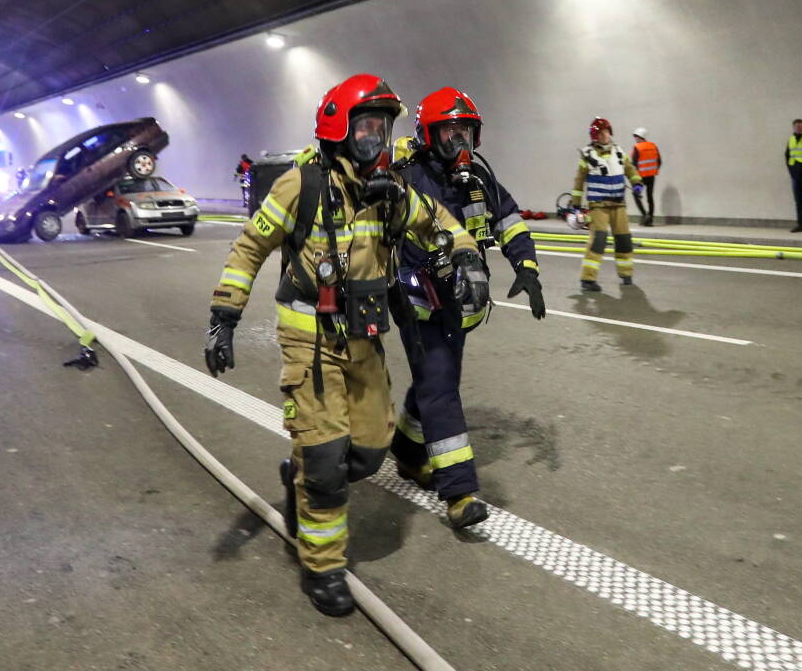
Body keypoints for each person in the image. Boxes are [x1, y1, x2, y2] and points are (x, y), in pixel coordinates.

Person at [203, 74, 485, 617]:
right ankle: (322, 565)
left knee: (370, 451)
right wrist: (224, 316)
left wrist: (467, 256)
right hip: (309, 343)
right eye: (367, 126)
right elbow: (249, 248)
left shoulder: (389, 191)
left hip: (365, 340)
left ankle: (300, 477)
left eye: (383, 128)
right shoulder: (300, 185)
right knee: (327, 462)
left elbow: (440, 223)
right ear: (339, 128)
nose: (376, 138)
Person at [391, 87, 546, 530]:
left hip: (458, 304)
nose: (459, 140)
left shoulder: (478, 179)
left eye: (465, 131)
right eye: (449, 131)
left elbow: (509, 221)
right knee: (441, 386)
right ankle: (459, 492)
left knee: (435, 382)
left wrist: (527, 268)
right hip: (419, 303)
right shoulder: (409, 179)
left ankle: (407, 451)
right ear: (428, 136)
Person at [570, 118, 643, 292]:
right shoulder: (588, 155)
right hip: (598, 206)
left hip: (618, 204)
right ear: (595, 137)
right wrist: (576, 205)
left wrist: (637, 183)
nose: (604, 136)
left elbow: (630, 170)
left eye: (606, 132)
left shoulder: (619, 152)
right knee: (598, 240)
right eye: (600, 133)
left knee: (624, 239)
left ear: (610, 132)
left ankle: (626, 274)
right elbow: (579, 182)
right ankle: (587, 279)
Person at [630, 127, 661, 226]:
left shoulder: (637, 148)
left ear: (640, 136)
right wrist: (653, 170)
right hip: (651, 177)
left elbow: (633, 164)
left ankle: (644, 216)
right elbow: (659, 161)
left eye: (636, 136)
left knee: (636, 195)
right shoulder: (653, 146)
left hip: (640, 179)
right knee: (650, 197)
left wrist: (633, 178)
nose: (635, 138)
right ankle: (650, 218)